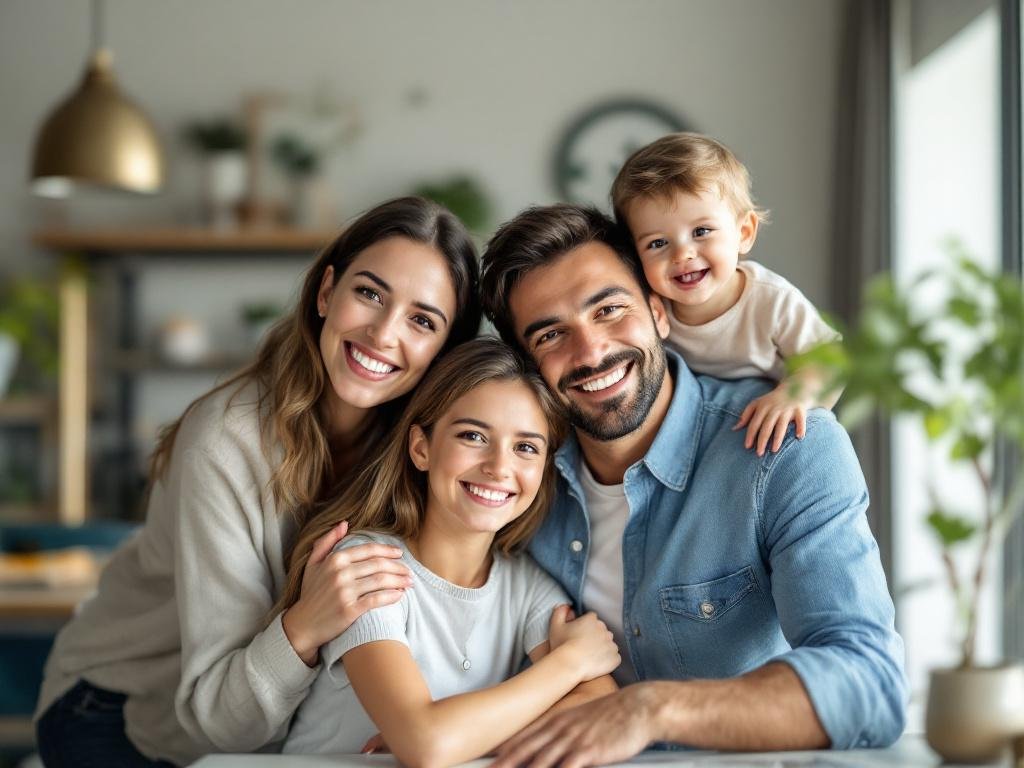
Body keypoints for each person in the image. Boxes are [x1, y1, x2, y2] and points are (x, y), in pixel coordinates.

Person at [34, 197, 482, 768]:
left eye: (423, 321)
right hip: (118, 711)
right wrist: (307, 622)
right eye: (369, 293)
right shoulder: (224, 444)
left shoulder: (420, 449)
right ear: (326, 293)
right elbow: (220, 721)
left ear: (446, 352)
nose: (384, 333)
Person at [479, 204, 907, 767]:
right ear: (527, 363)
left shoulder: (788, 447)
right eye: (551, 334)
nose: (591, 353)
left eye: (609, 310)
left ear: (660, 312)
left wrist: (649, 709)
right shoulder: (510, 480)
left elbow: (871, 684)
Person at [276, 337, 619, 765]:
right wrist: (569, 663)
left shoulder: (527, 587)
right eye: (473, 436)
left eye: (526, 447)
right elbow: (428, 745)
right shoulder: (367, 566)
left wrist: (470, 737)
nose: (499, 467)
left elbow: (601, 708)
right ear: (421, 447)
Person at [611, 132, 840, 456]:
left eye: (701, 232)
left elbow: (832, 360)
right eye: (657, 243)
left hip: (771, 429)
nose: (683, 254)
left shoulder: (771, 301)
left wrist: (794, 394)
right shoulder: (652, 310)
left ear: (744, 233)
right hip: (700, 434)